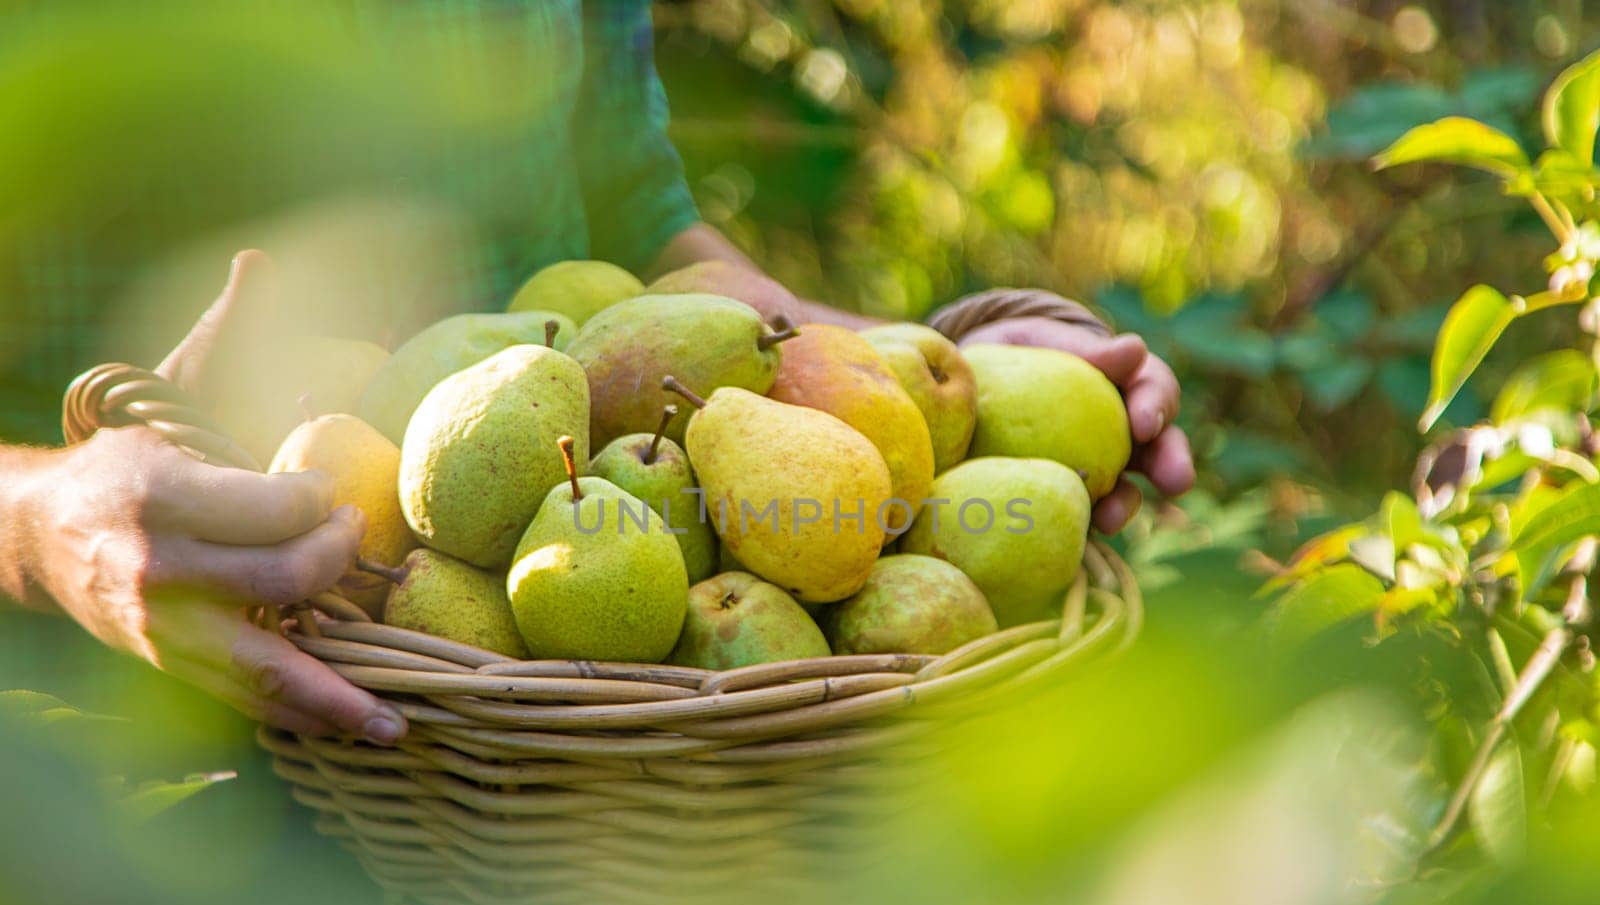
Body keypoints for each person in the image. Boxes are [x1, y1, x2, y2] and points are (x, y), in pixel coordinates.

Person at [0, 1, 1192, 745]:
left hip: (558, 745)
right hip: (91, 744)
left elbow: (638, 214)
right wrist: (42, 525)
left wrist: (925, 372)